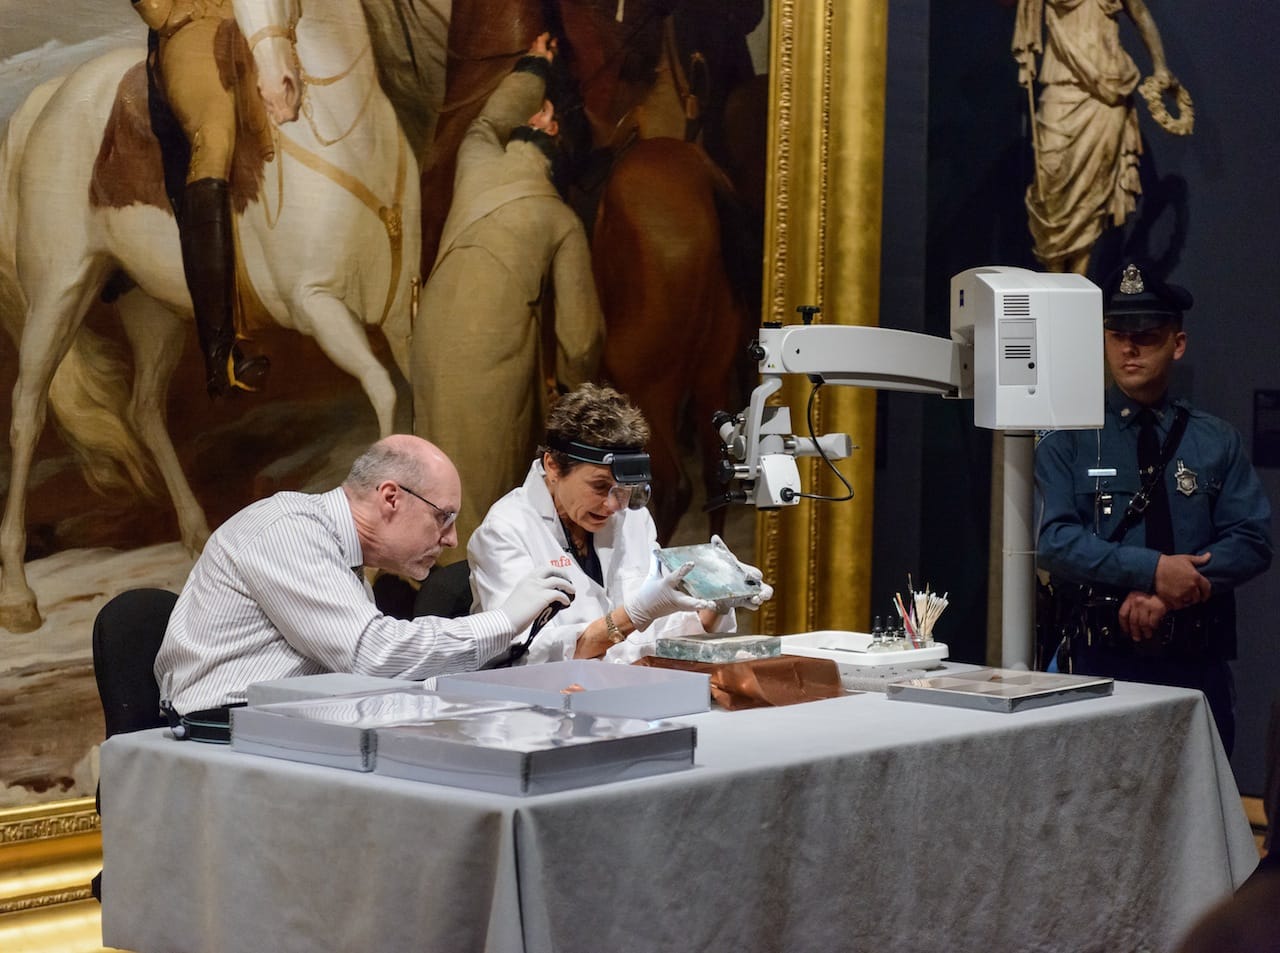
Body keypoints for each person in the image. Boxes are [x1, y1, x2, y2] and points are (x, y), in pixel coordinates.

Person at [155, 435, 575, 718]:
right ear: (391, 497)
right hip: (222, 736)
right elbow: (372, 655)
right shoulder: (286, 528)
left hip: (277, 728)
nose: (451, 539)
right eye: (443, 517)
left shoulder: (342, 555)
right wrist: (503, 621)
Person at [1035, 263, 1272, 754]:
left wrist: (1170, 593)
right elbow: (1055, 541)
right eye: (1118, 335)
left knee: (1198, 792)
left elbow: (1252, 539)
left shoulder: (1214, 440)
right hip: (1099, 661)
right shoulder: (1069, 437)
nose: (1130, 348)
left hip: (1194, 662)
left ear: (1176, 344)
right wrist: (1154, 570)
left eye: (1145, 336)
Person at [414, 32, 604, 553]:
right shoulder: (560, 219)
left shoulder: (475, 162)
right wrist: (576, 398)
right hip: (489, 363)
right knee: (480, 504)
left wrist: (534, 66)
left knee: (433, 485)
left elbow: (487, 121)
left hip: (429, 347)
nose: (538, 114)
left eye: (541, 112)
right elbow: (581, 340)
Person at [468, 383, 771, 664]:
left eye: (625, 490)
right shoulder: (505, 531)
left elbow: (657, 635)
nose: (614, 505)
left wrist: (715, 602)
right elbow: (526, 654)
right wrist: (632, 616)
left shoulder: (633, 517)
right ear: (553, 466)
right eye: (600, 487)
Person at [132, 0, 272, 395]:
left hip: (256, 23)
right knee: (214, 137)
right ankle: (221, 353)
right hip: (191, 29)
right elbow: (156, 11)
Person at [1012, 0, 1187, 275]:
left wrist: (1161, 67)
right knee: (1051, 185)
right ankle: (1054, 285)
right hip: (1061, 83)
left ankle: (1079, 286)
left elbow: (1140, 13)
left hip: (1106, 91)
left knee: (1092, 190)